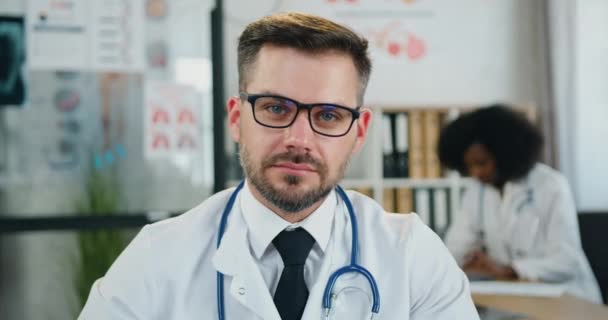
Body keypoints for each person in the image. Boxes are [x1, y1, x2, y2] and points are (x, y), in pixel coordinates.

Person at [79, 13, 479, 319]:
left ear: (359, 132)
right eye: (275, 108)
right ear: (236, 119)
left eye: (327, 115)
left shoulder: (411, 256)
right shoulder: (157, 258)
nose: (299, 140)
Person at [438, 105, 602, 303]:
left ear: (503, 153)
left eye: (481, 163)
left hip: (567, 297)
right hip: (514, 297)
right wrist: (464, 261)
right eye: (469, 166)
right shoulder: (476, 193)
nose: (476, 173)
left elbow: (566, 261)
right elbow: (455, 248)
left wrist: (509, 269)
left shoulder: (550, 186)